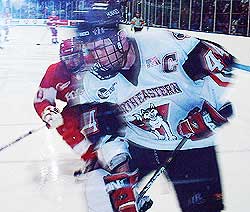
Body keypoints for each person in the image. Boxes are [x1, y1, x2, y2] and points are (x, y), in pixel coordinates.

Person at [34, 3, 235, 212]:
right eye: (90, 49)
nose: (96, 56)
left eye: (101, 46)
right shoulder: (91, 82)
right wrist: (121, 177)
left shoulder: (163, 44)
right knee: (99, 190)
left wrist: (210, 111)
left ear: (120, 38)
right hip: (141, 144)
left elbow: (221, 63)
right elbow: (104, 134)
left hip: (192, 147)